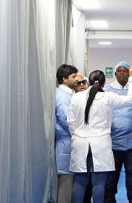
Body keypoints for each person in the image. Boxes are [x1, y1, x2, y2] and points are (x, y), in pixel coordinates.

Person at [67, 68, 132, 203]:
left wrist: (77, 136)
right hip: (101, 143)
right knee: (99, 182)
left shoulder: (76, 96)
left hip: (79, 142)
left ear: (88, 82)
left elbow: (70, 122)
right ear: (103, 83)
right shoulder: (108, 97)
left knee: (80, 181)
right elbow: (131, 99)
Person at [104, 62, 132, 203]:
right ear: (115, 74)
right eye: (119, 71)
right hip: (112, 142)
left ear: (129, 74)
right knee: (111, 174)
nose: (122, 73)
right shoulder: (107, 90)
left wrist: (127, 124)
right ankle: (109, 199)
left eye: (125, 71)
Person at [55, 64, 79, 203]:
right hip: (65, 143)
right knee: (65, 184)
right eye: (73, 76)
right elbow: (66, 119)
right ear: (64, 79)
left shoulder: (68, 94)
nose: (76, 79)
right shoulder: (62, 96)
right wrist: (79, 134)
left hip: (69, 142)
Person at [73, 73, 92, 203]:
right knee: (80, 180)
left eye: (83, 82)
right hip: (78, 144)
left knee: (91, 179)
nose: (81, 85)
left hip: (92, 146)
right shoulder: (73, 99)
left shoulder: (93, 99)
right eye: (78, 83)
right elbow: (69, 123)